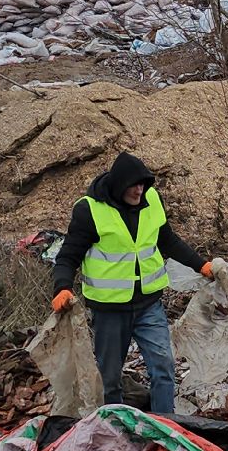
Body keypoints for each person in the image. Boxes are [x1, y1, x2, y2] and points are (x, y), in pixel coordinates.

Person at [52, 151, 212, 414]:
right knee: (111, 377)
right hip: (109, 311)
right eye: (134, 185)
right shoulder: (89, 211)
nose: (139, 191)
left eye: (143, 185)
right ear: (118, 185)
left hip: (149, 305)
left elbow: (168, 240)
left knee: (163, 365)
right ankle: (116, 427)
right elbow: (68, 256)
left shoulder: (151, 200)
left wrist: (200, 265)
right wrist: (62, 287)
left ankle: (166, 425)